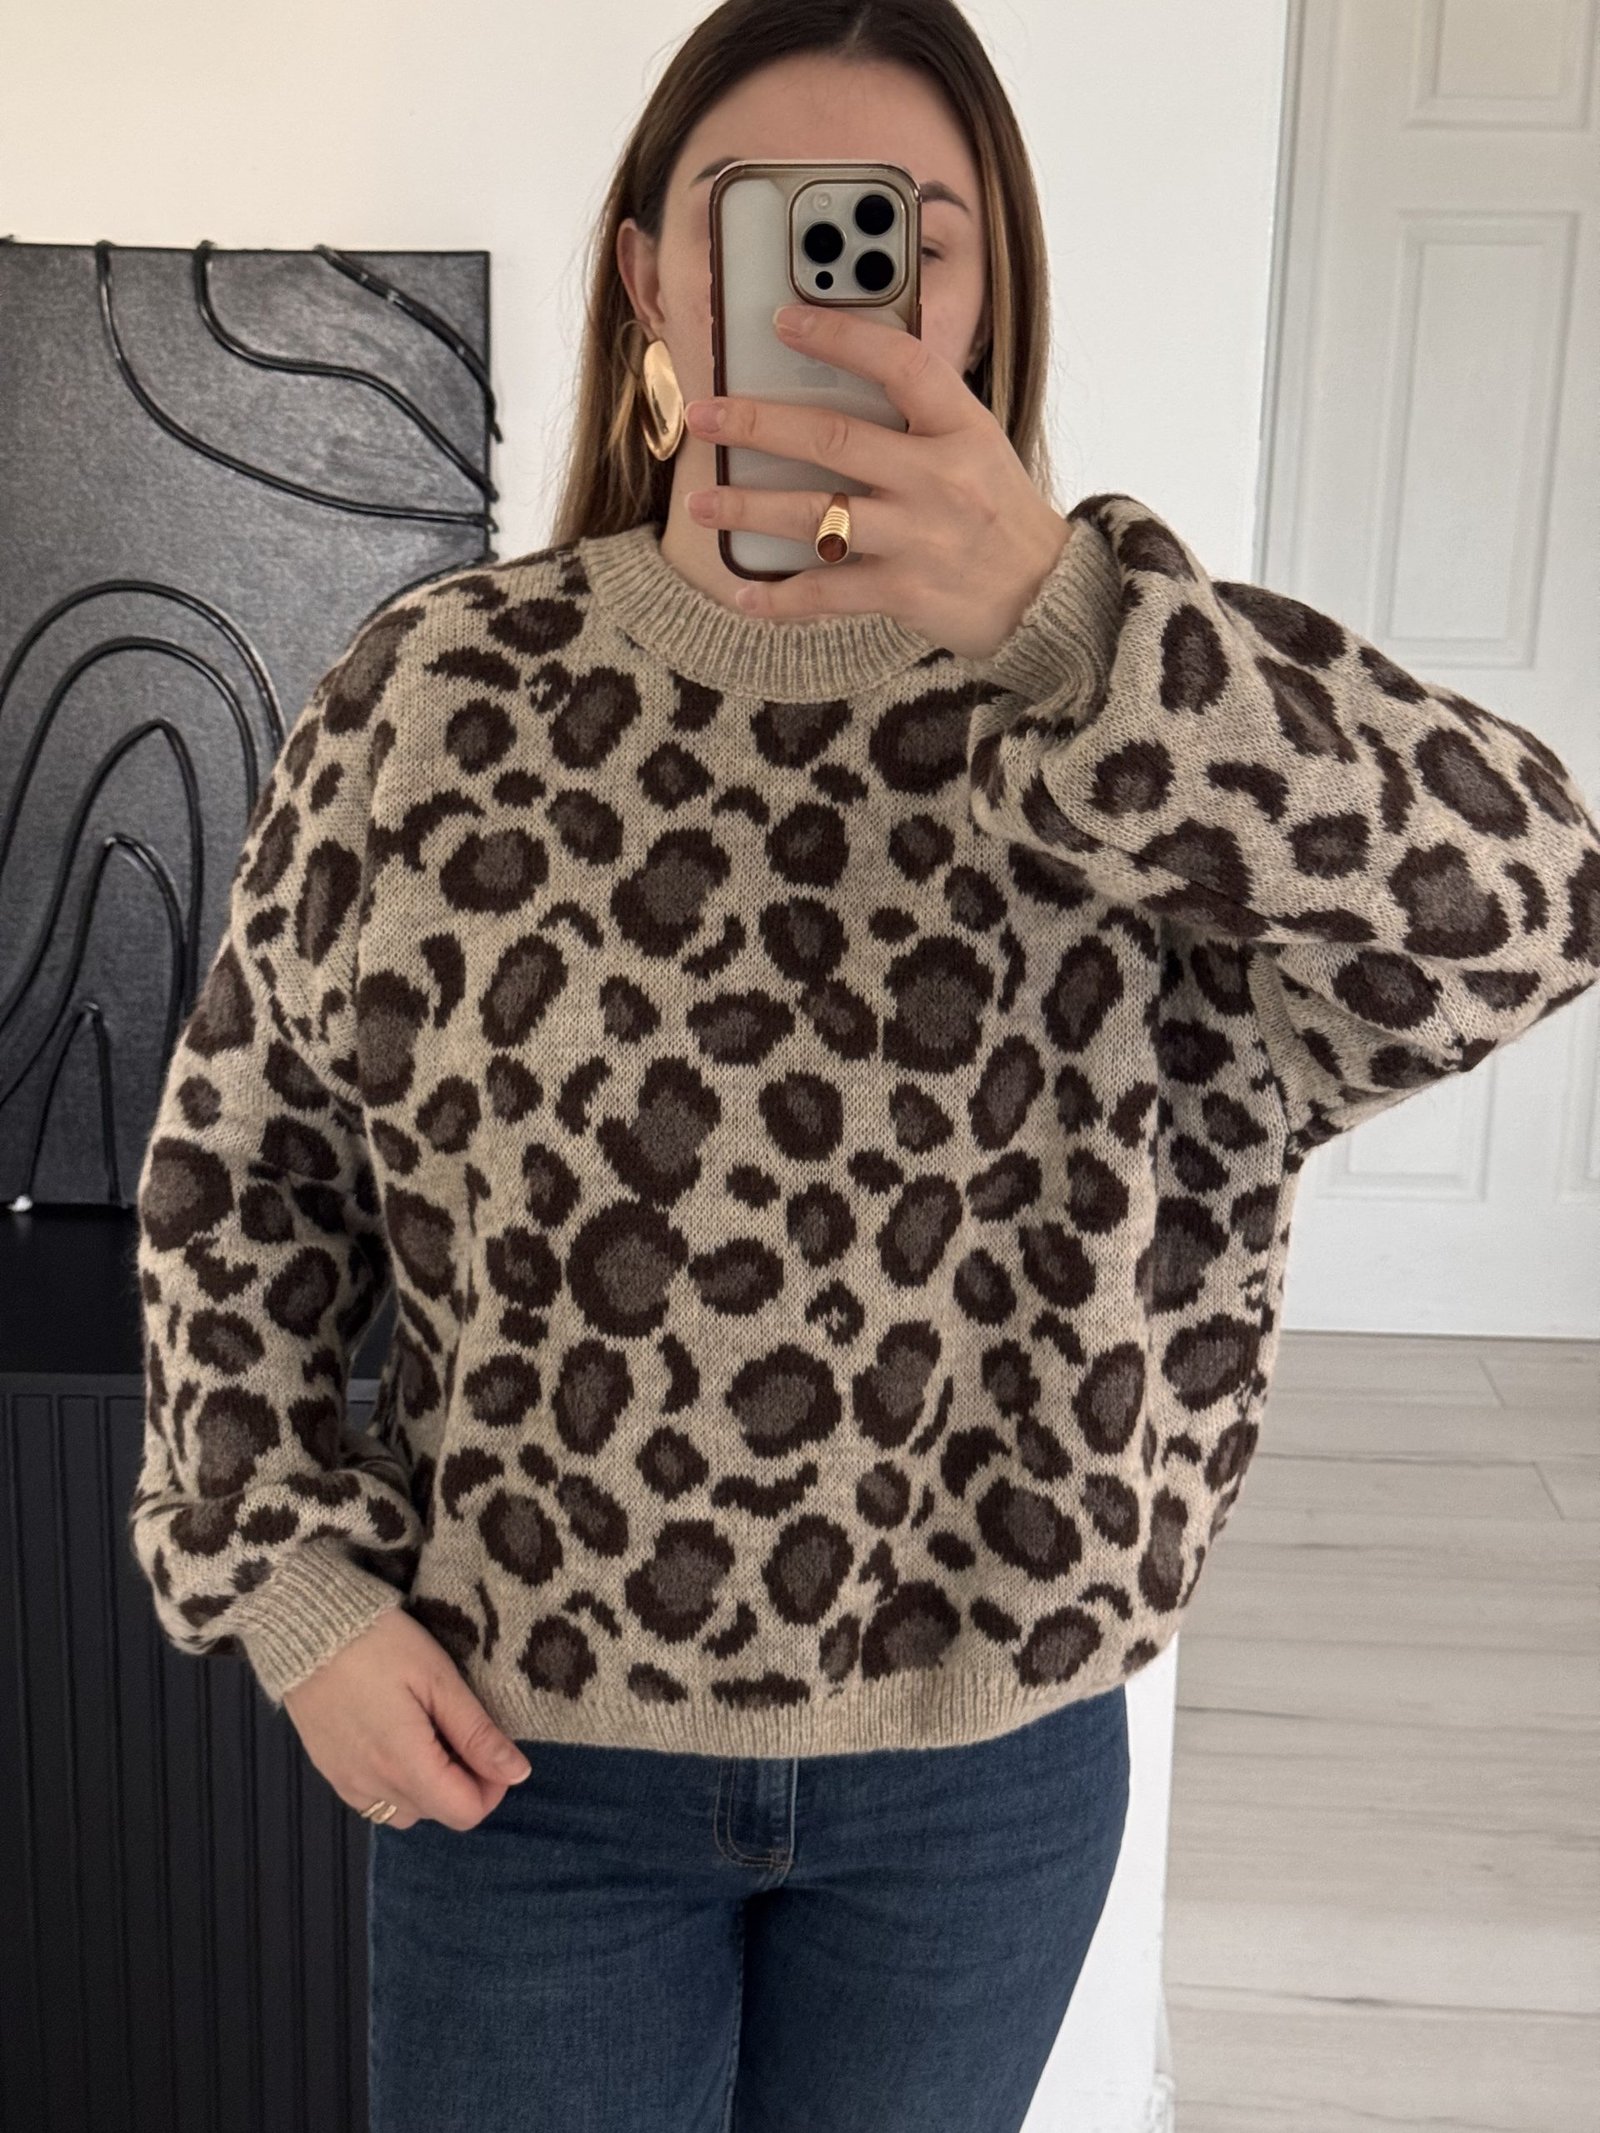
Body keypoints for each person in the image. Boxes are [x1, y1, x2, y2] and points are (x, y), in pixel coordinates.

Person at [126, 3, 1600, 2129]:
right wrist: (288, 1580)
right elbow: (242, 1170)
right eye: (766, 221)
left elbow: (1531, 903)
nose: (837, 285)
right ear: (652, 277)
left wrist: (1077, 630)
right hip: (526, 1766)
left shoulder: (1138, 721)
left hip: (979, 1778)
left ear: (984, 289)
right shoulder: (440, 692)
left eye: (907, 232)